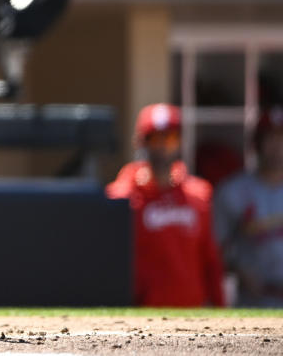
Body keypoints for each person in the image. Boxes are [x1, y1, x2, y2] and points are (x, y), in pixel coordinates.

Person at [106, 103, 226, 307]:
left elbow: (210, 258)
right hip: (141, 314)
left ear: (180, 143)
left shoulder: (198, 194)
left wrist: (220, 306)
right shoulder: (122, 197)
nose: (162, 147)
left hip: (192, 314)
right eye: (155, 139)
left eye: (170, 139)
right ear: (140, 142)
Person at [213, 107, 283, 307]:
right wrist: (238, 269)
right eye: (271, 139)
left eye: (282, 139)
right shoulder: (233, 191)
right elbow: (215, 247)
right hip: (253, 299)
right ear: (257, 143)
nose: (278, 147)